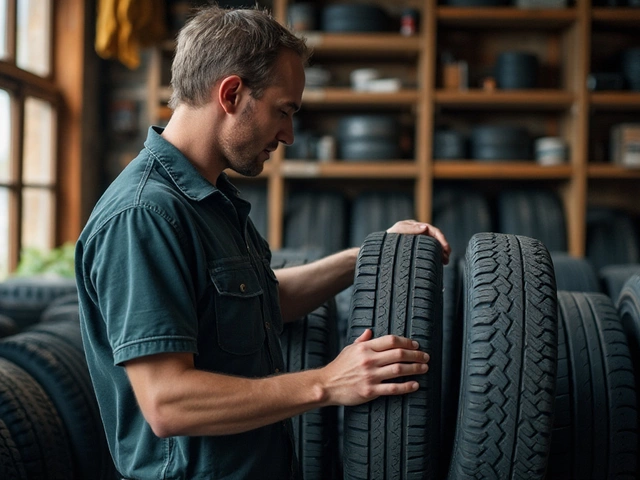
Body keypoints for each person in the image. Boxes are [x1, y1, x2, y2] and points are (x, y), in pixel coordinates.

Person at [75, 5, 451, 480]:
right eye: (284, 111)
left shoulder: (209, 199)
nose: (289, 135)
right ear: (231, 93)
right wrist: (327, 383)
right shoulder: (145, 216)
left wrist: (370, 257)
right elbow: (168, 402)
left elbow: (262, 301)